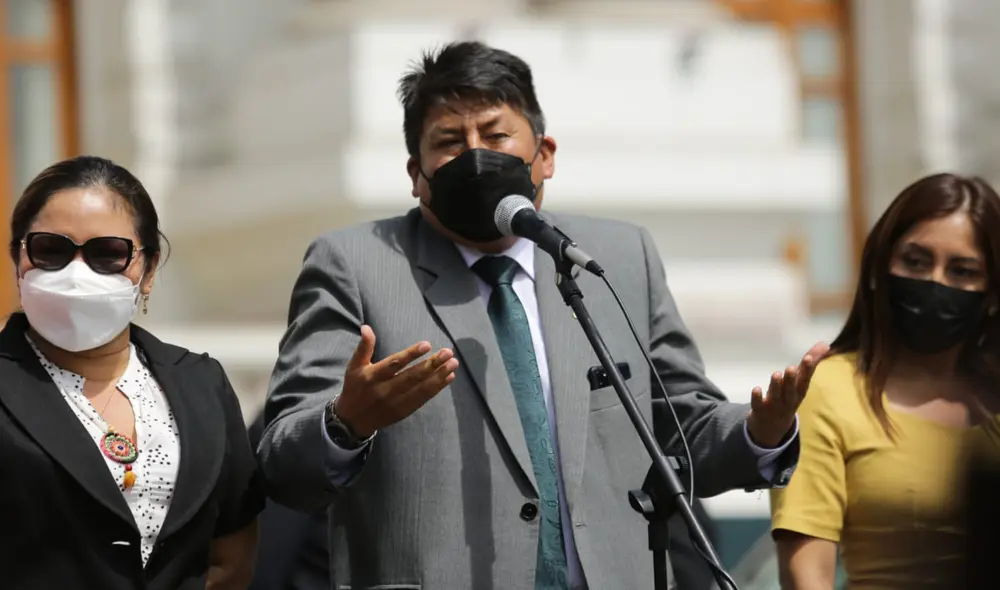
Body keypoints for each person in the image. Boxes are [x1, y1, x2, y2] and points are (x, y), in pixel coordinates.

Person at [257, 41, 827, 589]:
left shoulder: (619, 258)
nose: (475, 155)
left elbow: (680, 426)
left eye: (496, 134)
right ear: (416, 174)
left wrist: (760, 431)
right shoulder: (354, 264)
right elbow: (283, 462)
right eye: (450, 141)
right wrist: (345, 422)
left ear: (544, 155)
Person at [0, 156, 265, 590]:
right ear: (18, 258)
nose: (76, 274)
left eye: (108, 254)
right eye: (51, 250)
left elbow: (231, 551)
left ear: (148, 270)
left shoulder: (200, 383)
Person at [769, 173, 1000, 589]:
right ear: (879, 267)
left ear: (992, 293)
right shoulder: (829, 389)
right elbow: (808, 576)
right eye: (915, 261)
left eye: (962, 271)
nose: (936, 283)